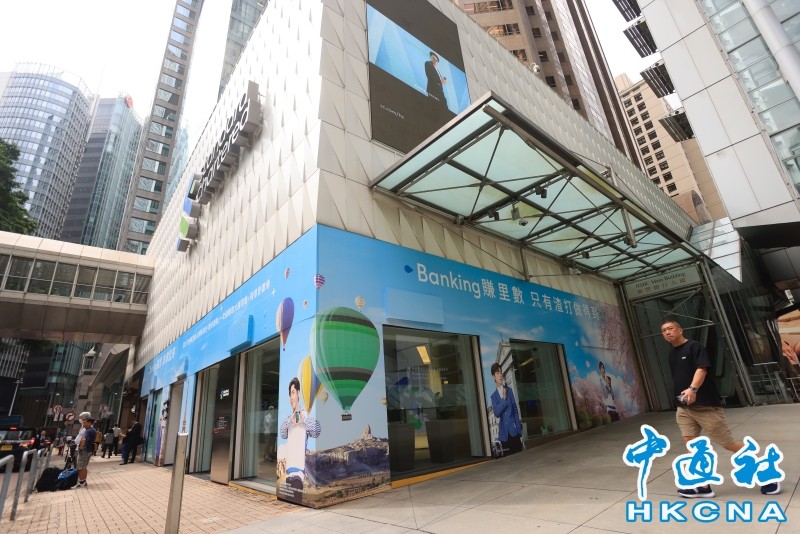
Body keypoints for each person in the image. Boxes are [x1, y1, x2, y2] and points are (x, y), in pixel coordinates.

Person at [661, 319, 781, 497]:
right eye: (664, 331)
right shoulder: (672, 354)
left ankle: (767, 473)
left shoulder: (694, 347)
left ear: (680, 330)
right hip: (684, 408)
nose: (667, 332)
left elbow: (702, 369)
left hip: (705, 406)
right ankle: (703, 486)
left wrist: (693, 389)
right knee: (692, 447)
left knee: (728, 444)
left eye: (670, 328)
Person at [279, 377, 321, 492]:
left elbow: (317, 431)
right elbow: (282, 434)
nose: (291, 397)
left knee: (296, 494)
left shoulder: (306, 416)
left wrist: (304, 419)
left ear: (298, 393)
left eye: (293, 392)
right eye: (290, 394)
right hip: (288, 472)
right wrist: (290, 420)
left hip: (299, 473)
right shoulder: (289, 419)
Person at [490, 363, 524, 454]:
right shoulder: (494, 397)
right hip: (504, 435)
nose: (500, 375)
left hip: (514, 431)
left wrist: (519, 430)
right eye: (497, 373)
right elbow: (497, 413)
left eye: (501, 372)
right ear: (493, 377)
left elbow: (515, 411)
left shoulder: (509, 390)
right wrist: (504, 398)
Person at [73, 412, 96, 489]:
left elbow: (83, 439)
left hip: (84, 451)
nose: (83, 423)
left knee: (80, 467)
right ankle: (83, 481)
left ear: (89, 422)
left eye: (84, 422)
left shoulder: (88, 430)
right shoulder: (90, 430)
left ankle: (81, 482)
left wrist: (80, 447)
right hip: (87, 450)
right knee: (84, 467)